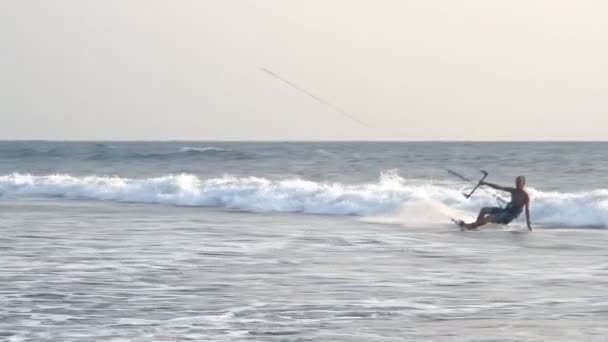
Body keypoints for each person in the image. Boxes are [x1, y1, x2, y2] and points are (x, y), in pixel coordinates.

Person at [457, 176, 532, 231]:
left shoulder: (525, 195)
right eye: (516, 182)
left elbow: (527, 210)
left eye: (519, 182)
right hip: (504, 211)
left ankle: (468, 226)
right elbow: (499, 187)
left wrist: (528, 224)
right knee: (484, 210)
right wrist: (486, 183)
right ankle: (475, 225)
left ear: (524, 183)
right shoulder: (513, 190)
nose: (517, 184)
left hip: (508, 216)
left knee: (489, 217)